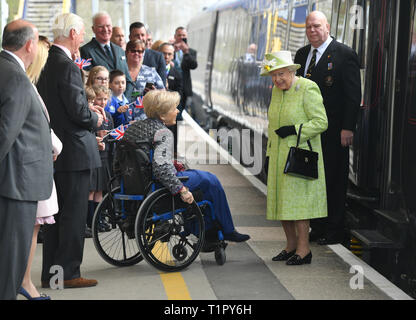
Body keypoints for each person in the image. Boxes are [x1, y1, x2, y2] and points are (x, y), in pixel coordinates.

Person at [120, 90, 250, 243]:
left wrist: (172, 163)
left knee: (197, 177)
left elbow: (131, 160)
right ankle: (226, 230)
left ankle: (208, 232)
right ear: (162, 115)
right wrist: (181, 189)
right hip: (158, 184)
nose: (177, 111)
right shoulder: (163, 132)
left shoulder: (131, 129)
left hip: (137, 184)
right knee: (210, 181)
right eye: (174, 108)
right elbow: (161, 169)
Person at [37, 12, 103, 289]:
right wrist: (95, 117)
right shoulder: (67, 65)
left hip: (57, 150)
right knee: (73, 217)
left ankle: (52, 275)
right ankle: (70, 274)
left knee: (55, 218)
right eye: (82, 33)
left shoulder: (46, 61)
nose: (84, 38)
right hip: (75, 152)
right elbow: (77, 112)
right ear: (74, 34)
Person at [294, 11, 361, 245]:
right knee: (312, 180)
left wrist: (348, 128)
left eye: (317, 26)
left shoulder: (344, 55)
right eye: (308, 27)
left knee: (333, 180)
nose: (312, 30)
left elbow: (353, 96)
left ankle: (333, 231)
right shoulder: (302, 55)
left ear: (327, 27)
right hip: (308, 133)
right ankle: (318, 226)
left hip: (334, 132)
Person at [0, 19, 53, 300]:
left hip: (11, 181)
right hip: (17, 184)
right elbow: (5, 133)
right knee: (11, 261)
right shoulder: (17, 78)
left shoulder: (3, 68)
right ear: (30, 45)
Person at [261, 51, 328, 265]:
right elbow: (272, 126)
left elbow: (321, 122)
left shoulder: (308, 88)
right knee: (283, 203)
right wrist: (269, 154)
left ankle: (304, 250)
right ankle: (290, 246)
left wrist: (295, 130)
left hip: (299, 155)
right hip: (279, 156)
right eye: (273, 75)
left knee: (299, 206)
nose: (277, 79)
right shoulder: (277, 91)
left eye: (281, 74)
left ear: (291, 71)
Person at [18, 36, 62, 300]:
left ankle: (24, 281)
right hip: (30, 170)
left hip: (35, 168)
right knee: (29, 231)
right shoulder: (24, 85)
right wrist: (54, 147)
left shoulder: (27, 85)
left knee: (30, 231)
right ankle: (24, 281)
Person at [80, 11, 132, 93]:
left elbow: (128, 80)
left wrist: (123, 100)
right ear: (93, 29)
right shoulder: (85, 51)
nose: (105, 29)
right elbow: (88, 81)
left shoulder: (120, 50)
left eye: (108, 26)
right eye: (101, 26)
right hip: (101, 101)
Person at [87, 85, 114, 232]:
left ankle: (98, 220)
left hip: (104, 158)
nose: (102, 102)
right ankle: (90, 220)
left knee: (99, 191)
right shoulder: (92, 115)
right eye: (99, 99)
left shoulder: (108, 116)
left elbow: (111, 135)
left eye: (105, 99)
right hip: (94, 157)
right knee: (91, 190)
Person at [124, 39, 165, 120]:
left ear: (143, 53)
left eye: (140, 51)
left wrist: (155, 93)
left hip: (144, 118)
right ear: (127, 52)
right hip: (121, 118)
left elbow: (164, 94)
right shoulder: (120, 70)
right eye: (133, 50)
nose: (136, 53)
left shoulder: (151, 72)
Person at [160, 42, 183, 152]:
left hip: (169, 112)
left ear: (173, 56)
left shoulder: (177, 74)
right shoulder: (152, 71)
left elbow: (179, 95)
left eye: (169, 54)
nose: (166, 57)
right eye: (164, 53)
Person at [172, 27, 197, 118]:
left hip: (185, 87)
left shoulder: (191, 51)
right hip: (172, 86)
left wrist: (186, 52)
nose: (181, 37)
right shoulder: (169, 49)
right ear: (175, 36)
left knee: (182, 114)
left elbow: (193, 65)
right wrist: (173, 50)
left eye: (184, 35)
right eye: (179, 35)